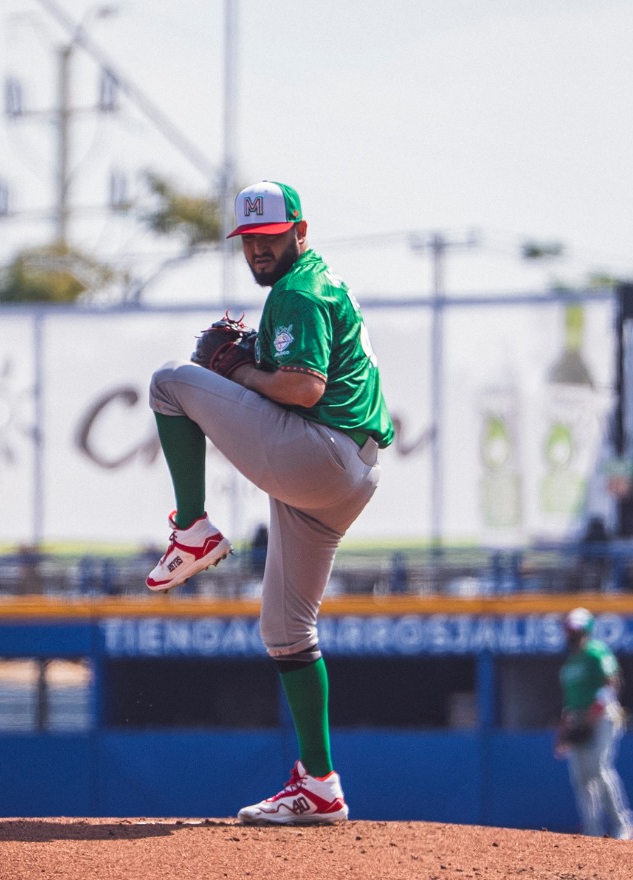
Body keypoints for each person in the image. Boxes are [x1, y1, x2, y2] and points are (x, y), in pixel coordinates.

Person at [146, 180, 394, 825]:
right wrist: (252, 362)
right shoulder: (317, 284)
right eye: (249, 240)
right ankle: (320, 784)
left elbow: (304, 389)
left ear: (299, 232)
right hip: (346, 477)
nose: (259, 250)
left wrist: (236, 369)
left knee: (170, 383)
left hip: (322, 453)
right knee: (286, 631)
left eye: (270, 237)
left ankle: (192, 528)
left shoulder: (298, 291)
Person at [554, 607, 633, 840]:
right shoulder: (569, 663)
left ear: (584, 630)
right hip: (577, 718)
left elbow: (611, 682)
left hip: (601, 715)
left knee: (599, 768)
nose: (569, 633)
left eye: (573, 629)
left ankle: (623, 826)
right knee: (580, 776)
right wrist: (562, 734)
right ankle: (592, 830)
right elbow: (569, 703)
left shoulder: (596, 651)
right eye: (568, 629)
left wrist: (595, 712)